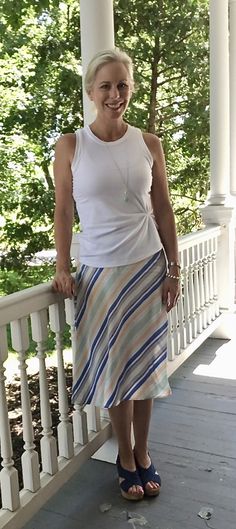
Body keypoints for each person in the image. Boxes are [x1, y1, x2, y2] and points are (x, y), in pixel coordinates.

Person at [52, 48, 180, 501]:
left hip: (147, 268)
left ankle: (144, 453)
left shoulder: (149, 143)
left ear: (130, 90)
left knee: (145, 369)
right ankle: (124, 456)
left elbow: (163, 209)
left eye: (122, 85)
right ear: (90, 92)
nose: (115, 94)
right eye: (106, 85)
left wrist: (173, 268)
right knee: (114, 373)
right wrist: (62, 264)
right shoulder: (72, 145)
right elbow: (63, 211)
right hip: (99, 276)